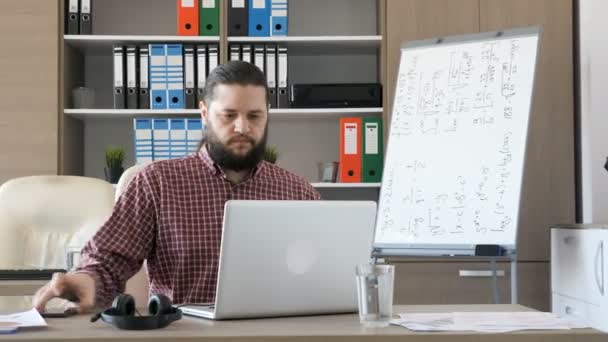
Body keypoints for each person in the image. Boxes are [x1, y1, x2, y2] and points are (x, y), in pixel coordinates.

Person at [33, 61, 321, 313]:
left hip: (278, 333)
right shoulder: (156, 183)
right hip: (184, 333)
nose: (243, 127)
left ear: (268, 114)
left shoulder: (297, 192)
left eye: (254, 116)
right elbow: (109, 259)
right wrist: (84, 280)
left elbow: (325, 270)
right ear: (204, 113)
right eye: (229, 115)